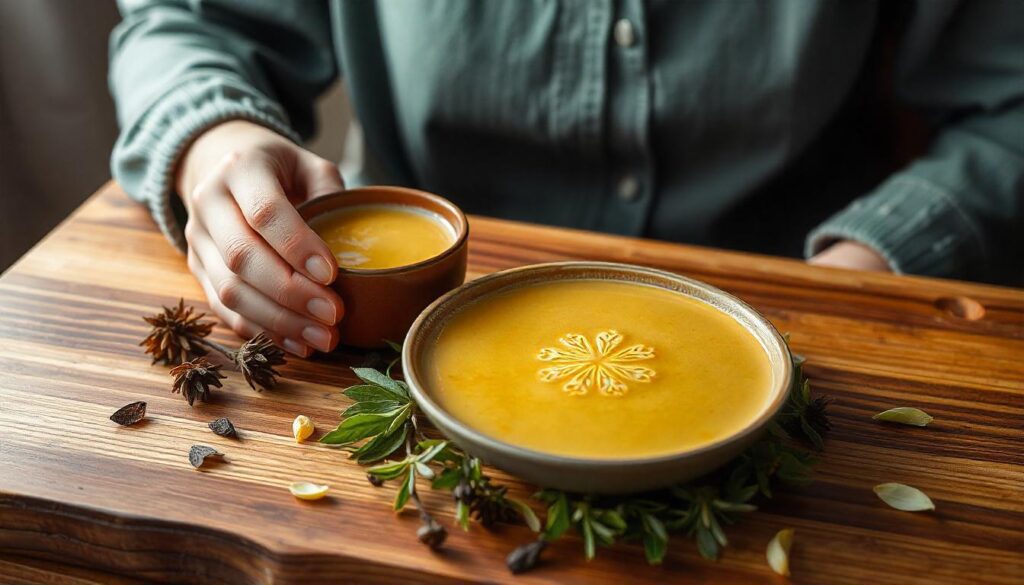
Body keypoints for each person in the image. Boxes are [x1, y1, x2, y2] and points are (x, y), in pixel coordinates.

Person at [108, 1, 1023, 356]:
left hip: (801, 318)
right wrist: (214, 142)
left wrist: (865, 267)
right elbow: (192, 27)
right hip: (377, 340)